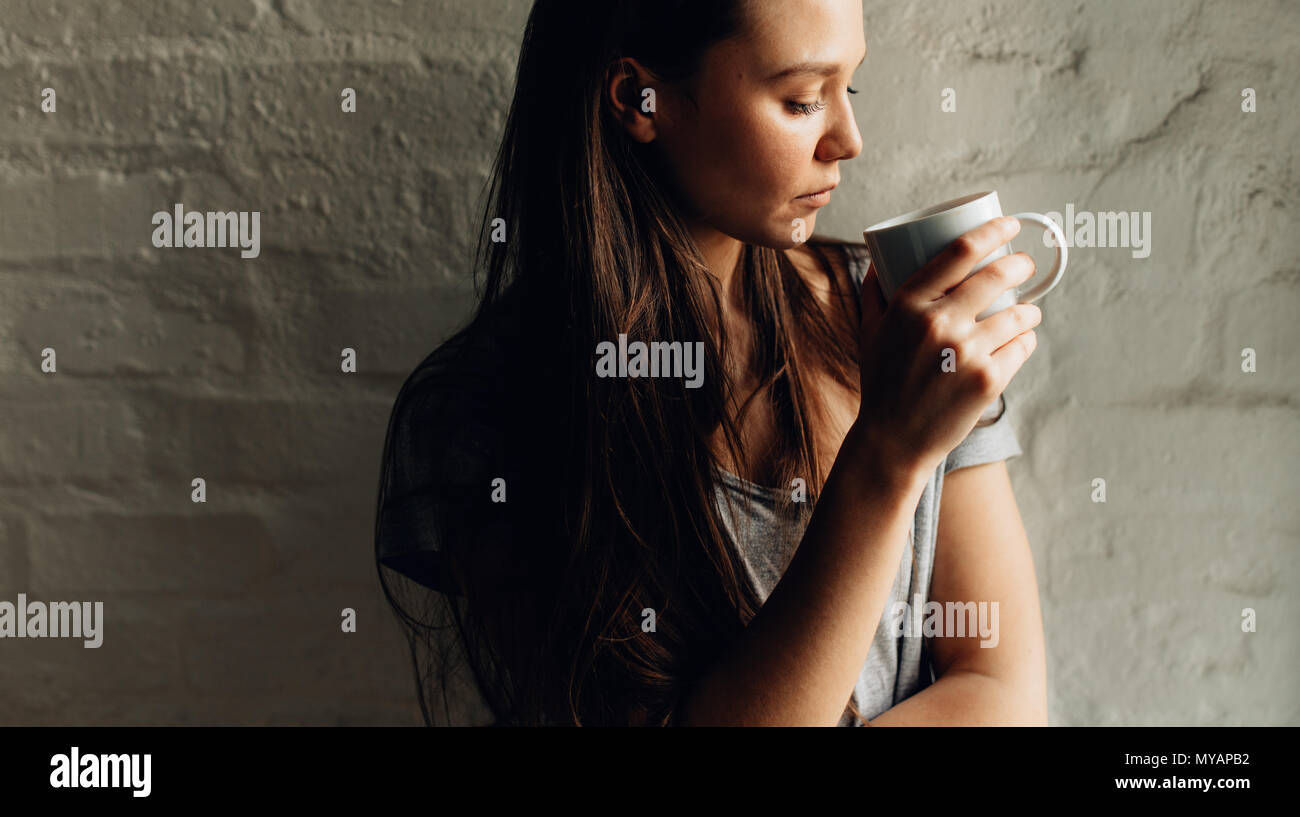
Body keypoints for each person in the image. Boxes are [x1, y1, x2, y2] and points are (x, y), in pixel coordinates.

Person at [374, 0, 1047, 726]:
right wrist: (886, 457)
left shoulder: (889, 322)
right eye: (801, 100)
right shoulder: (489, 415)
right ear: (640, 98)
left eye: (848, 88)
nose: (848, 140)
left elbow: (1003, 693)